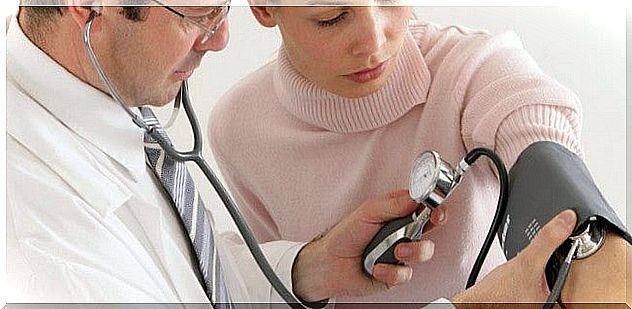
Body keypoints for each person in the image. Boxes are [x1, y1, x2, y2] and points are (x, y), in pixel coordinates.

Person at [6, 1, 441, 304]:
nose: (220, 40)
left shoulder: (106, 99)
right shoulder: (39, 250)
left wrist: (309, 268)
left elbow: (185, 283)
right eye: (200, 16)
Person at [208, 1, 630, 305]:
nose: (373, 41)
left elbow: (533, 128)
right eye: (331, 18)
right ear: (263, 8)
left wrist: (595, 250)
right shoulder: (237, 129)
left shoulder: (471, 65)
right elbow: (273, 288)